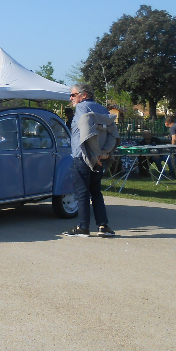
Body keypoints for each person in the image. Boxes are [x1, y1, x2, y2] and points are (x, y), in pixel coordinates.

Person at [63, 83, 117, 237]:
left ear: (84, 95)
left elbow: (87, 132)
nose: (71, 98)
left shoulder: (82, 108)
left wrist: (94, 154)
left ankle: (83, 227)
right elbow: (113, 134)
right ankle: (103, 226)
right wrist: (104, 152)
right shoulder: (103, 109)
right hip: (99, 158)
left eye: (73, 95)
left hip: (83, 157)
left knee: (82, 193)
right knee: (96, 192)